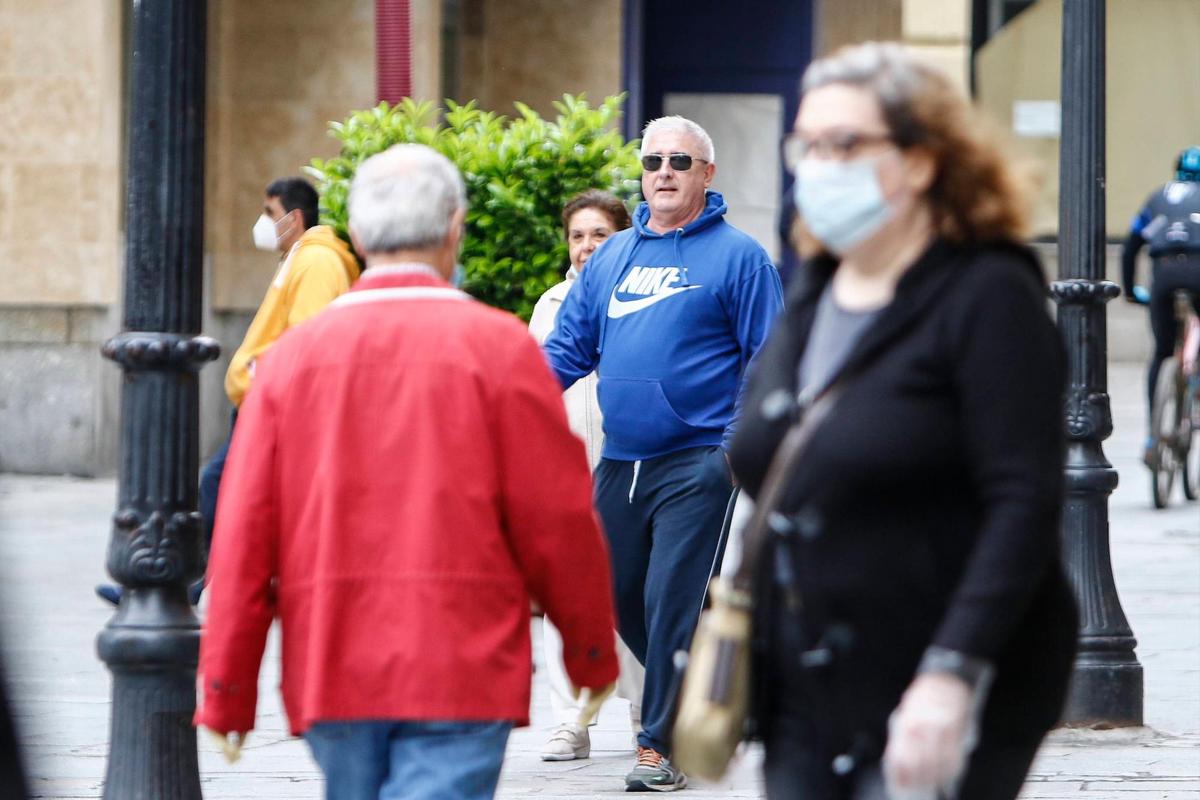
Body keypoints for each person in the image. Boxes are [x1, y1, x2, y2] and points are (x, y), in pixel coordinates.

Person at [194, 145, 620, 800]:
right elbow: (558, 518)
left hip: (332, 659)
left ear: (358, 238)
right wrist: (589, 649)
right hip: (463, 659)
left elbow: (244, 532)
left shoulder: (290, 363)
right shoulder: (502, 349)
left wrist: (227, 687)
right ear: (456, 229)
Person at [728, 42, 1078, 800]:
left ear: (921, 161)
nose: (820, 165)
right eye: (808, 145)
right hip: (804, 672)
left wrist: (952, 672)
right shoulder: (816, 287)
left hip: (938, 668)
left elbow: (1023, 501)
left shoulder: (987, 293)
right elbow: (762, 445)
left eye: (847, 143)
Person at [542, 116, 784, 791]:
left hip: (698, 460)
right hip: (621, 462)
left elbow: (768, 363)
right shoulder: (614, 257)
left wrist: (732, 455)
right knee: (618, 600)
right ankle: (724, 693)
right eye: (653, 161)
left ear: (707, 173)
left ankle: (660, 745)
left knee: (672, 598)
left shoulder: (739, 258)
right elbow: (569, 348)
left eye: (681, 160)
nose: (665, 171)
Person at [93, 177, 360, 607]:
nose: (263, 222)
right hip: (267, 403)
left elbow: (311, 340)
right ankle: (182, 584)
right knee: (228, 497)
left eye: (270, 213)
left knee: (216, 488)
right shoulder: (305, 259)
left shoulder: (317, 262)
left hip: (273, 406)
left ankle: (167, 584)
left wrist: (264, 378)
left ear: (293, 219)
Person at [528, 190, 646, 762]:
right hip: (568, 469)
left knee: (634, 587)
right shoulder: (550, 304)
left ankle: (646, 711)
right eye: (577, 235)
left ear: (622, 238)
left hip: (630, 466)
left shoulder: (643, 294)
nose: (585, 246)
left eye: (598, 234)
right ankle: (570, 721)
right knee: (563, 593)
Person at [1120, 145, 1200, 461]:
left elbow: (1130, 245)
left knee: (1162, 352)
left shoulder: (1158, 197)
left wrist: (1130, 290)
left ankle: (1153, 437)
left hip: (1163, 273)